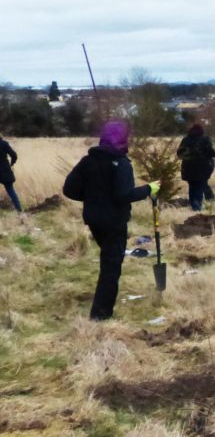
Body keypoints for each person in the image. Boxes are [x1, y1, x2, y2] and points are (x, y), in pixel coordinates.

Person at [63, 120, 159, 321]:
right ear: (123, 140)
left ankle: (101, 310)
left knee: (108, 259)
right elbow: (124, 195)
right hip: (114, 222)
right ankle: (100, 315)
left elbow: (70, 189)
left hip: (93, 220)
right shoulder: (121, 164)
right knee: (111, 267)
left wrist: (94, 198)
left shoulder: (88, 161)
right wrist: (149, 189)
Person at [176, 123, 215, 212]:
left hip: (188, 169)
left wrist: (188, 156)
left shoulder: (185, 140)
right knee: (200, 187)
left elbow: (179, 154)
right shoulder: (205, 140)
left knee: (192, 187)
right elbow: (213, 153)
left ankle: (194, 206)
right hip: (202, 169)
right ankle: (197, 208)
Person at [0, 135, 23, 213]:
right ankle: (19, 210)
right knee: (11, 191)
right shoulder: (4, 144)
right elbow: (14, 155)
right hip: (5, 171)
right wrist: (12, 163)